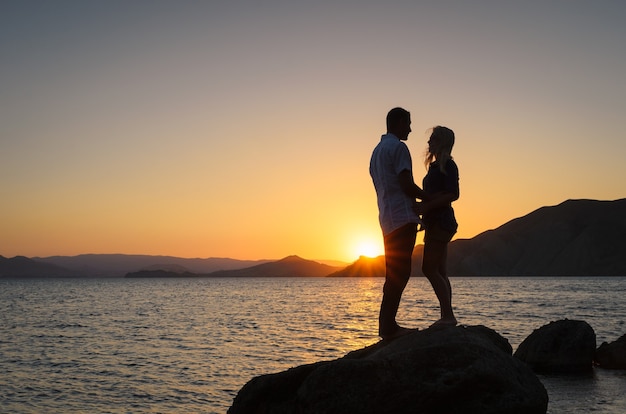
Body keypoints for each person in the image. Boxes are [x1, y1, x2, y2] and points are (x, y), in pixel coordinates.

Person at [370, 107, 427, 340]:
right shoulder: (399, 148)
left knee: (393, 273)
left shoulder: (376, 152)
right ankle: (388, 327)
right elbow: (406, 184)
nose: (411, 129)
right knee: (400, 273)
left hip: (386, 218)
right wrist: (430, 199)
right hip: (402, 217)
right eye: (409, 123)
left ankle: (387, 325)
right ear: (399, 122)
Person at [417, 126, 459, 327]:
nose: (428, 143)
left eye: (432, 139)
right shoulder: (435, 166)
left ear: (441, 141)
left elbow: (453, 194)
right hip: (435, 222)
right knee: (440, 271)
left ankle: (448, 316)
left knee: (429, 268)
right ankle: (446, 317)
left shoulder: (448, 165)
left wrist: (425, 206)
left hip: (442, 222)